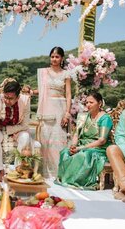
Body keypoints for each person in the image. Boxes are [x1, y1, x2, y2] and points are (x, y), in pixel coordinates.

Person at [57, 92, 113, 189]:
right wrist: (74, 146)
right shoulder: (83, 116)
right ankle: (66, 179)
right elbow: (76, 134)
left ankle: (77, 181)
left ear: (99, 103)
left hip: (98, 148)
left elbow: (102, 141)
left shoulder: (105, 118)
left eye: (91, 102)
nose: (88, 105)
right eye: (86, 102)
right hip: (81, 145)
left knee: (83, 154)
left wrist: (80, 148)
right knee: (65, 152)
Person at [0, 80, 32, 181]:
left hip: (17, 129)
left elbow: (25, 124)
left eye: (11, 98)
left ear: (18, 97)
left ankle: (17, 170)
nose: (7, 101)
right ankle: (0, 170)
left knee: (25, 137)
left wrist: (6, 129)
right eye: (5, 97)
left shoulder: (25, 101)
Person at [36, 46, 71, 179]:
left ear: (62, 58)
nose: (54, 59)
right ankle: (45, 173)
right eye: (52, 56)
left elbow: (68, 94)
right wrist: (32, 92)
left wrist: (67, 113)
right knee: (46, 138)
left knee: (59, 140)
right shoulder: (44, 72)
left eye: (57, 57)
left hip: (60, 108)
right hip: (47, 108)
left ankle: (58, 173)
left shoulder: (66, 74)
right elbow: (43, 91)